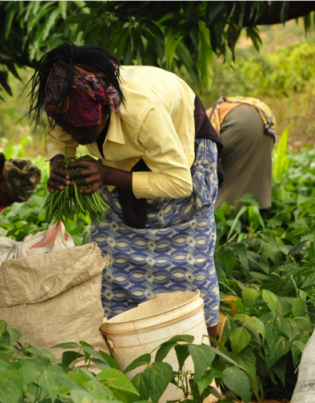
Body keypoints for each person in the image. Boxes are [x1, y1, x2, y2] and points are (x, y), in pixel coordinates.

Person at [29, 44, 223, 338]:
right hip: (124, 161)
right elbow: (59, 136)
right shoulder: (64, 99)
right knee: (111, 257)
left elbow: (180, 182)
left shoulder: (144, 111)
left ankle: (207, 347)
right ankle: (124, 335)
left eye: (83, 131)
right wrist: (59, 163)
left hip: (179, 156)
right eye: (71, 130)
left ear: (106, 110)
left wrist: (108, 174)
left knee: (190, 264)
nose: (77, 138)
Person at [208, 96, 276, 209]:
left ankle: (224, 212)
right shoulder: (214, 112)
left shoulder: (195, 124)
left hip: (238, 124)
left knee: (227, 177)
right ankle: (256, 209)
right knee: (247, 171)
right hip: (264, 122)